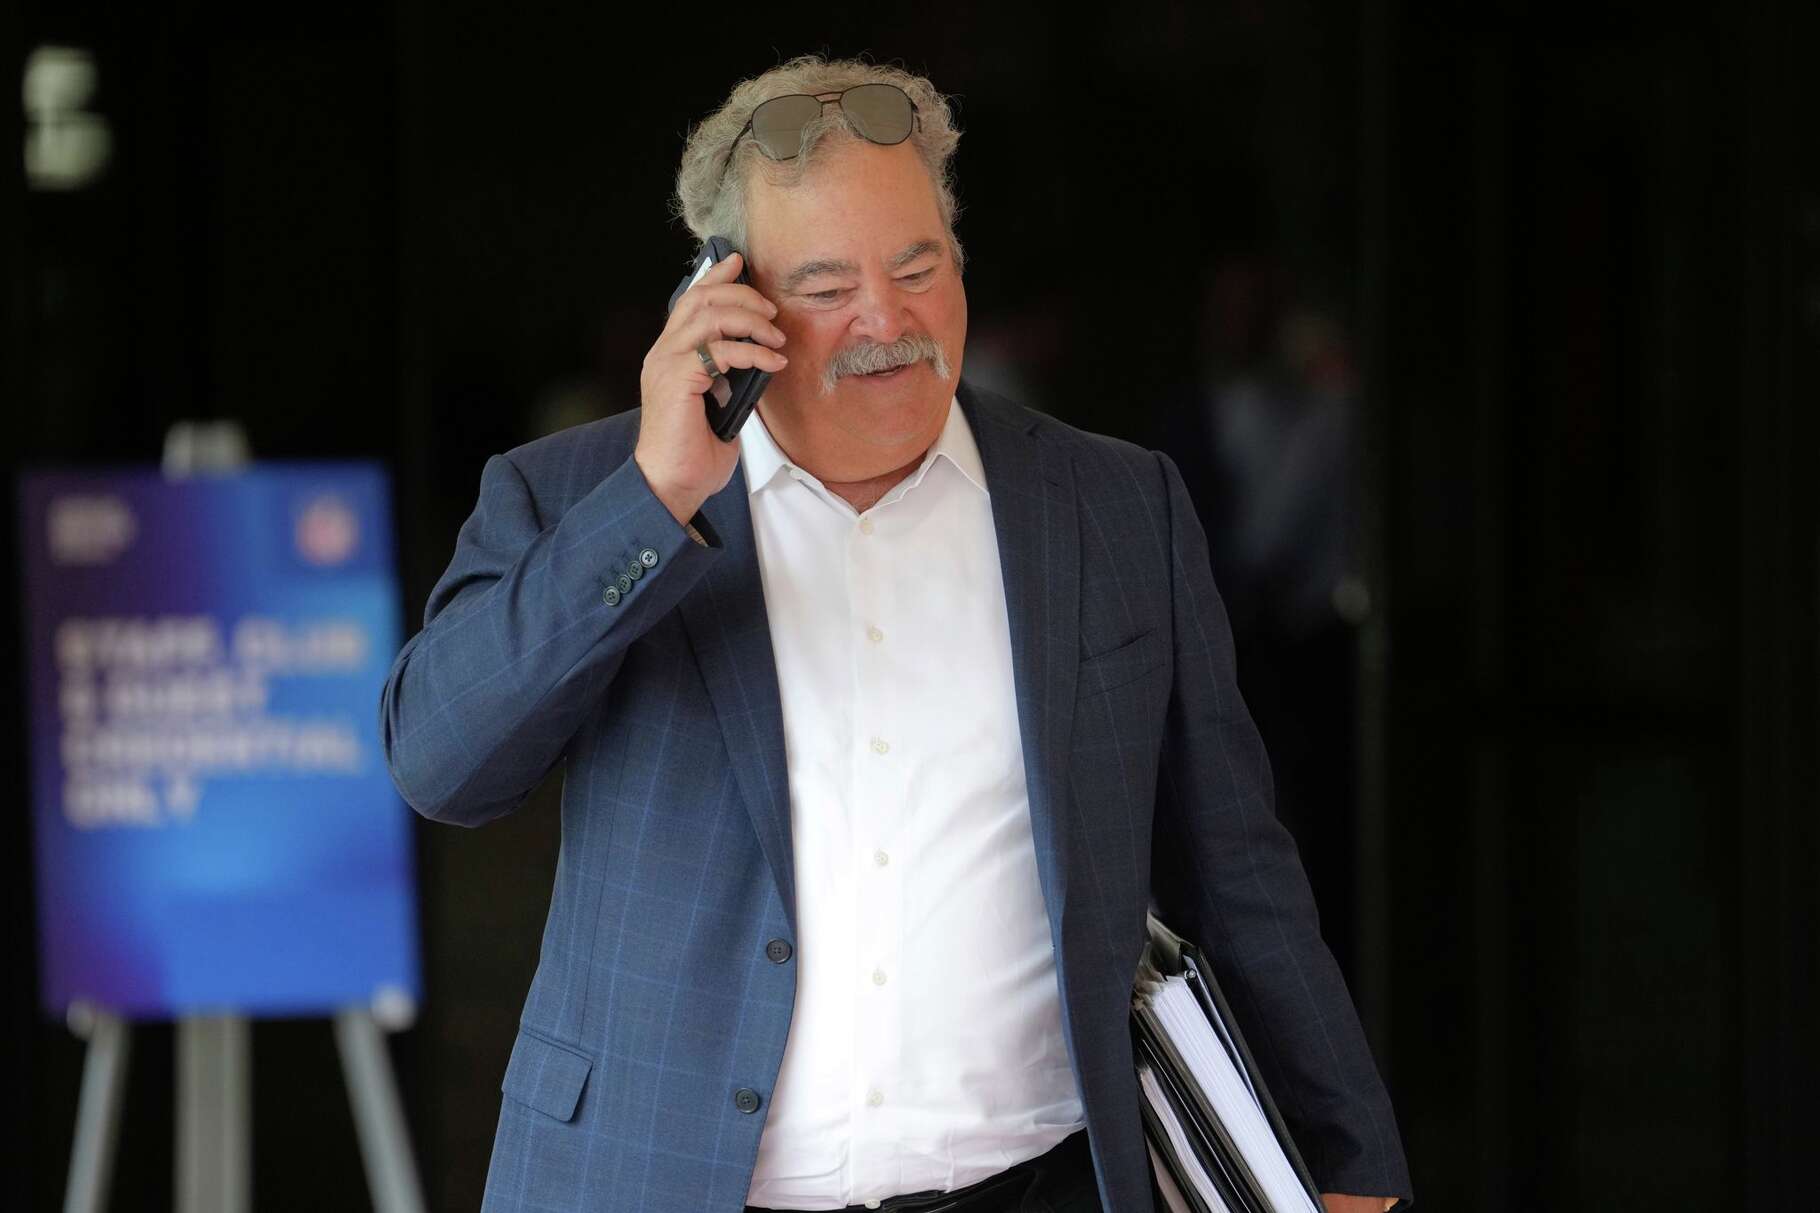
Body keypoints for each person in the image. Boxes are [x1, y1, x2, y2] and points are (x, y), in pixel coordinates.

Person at [381, 55, 1412, 1213]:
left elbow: (1236, 863)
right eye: (825, 286)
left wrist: (1344, 1160)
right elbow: (440, 764)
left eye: (917, 266)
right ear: (728, 305)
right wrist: (655, 496)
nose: (887, 319)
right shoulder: (578, 495)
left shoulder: (1113, 506)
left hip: (1042, 1183)